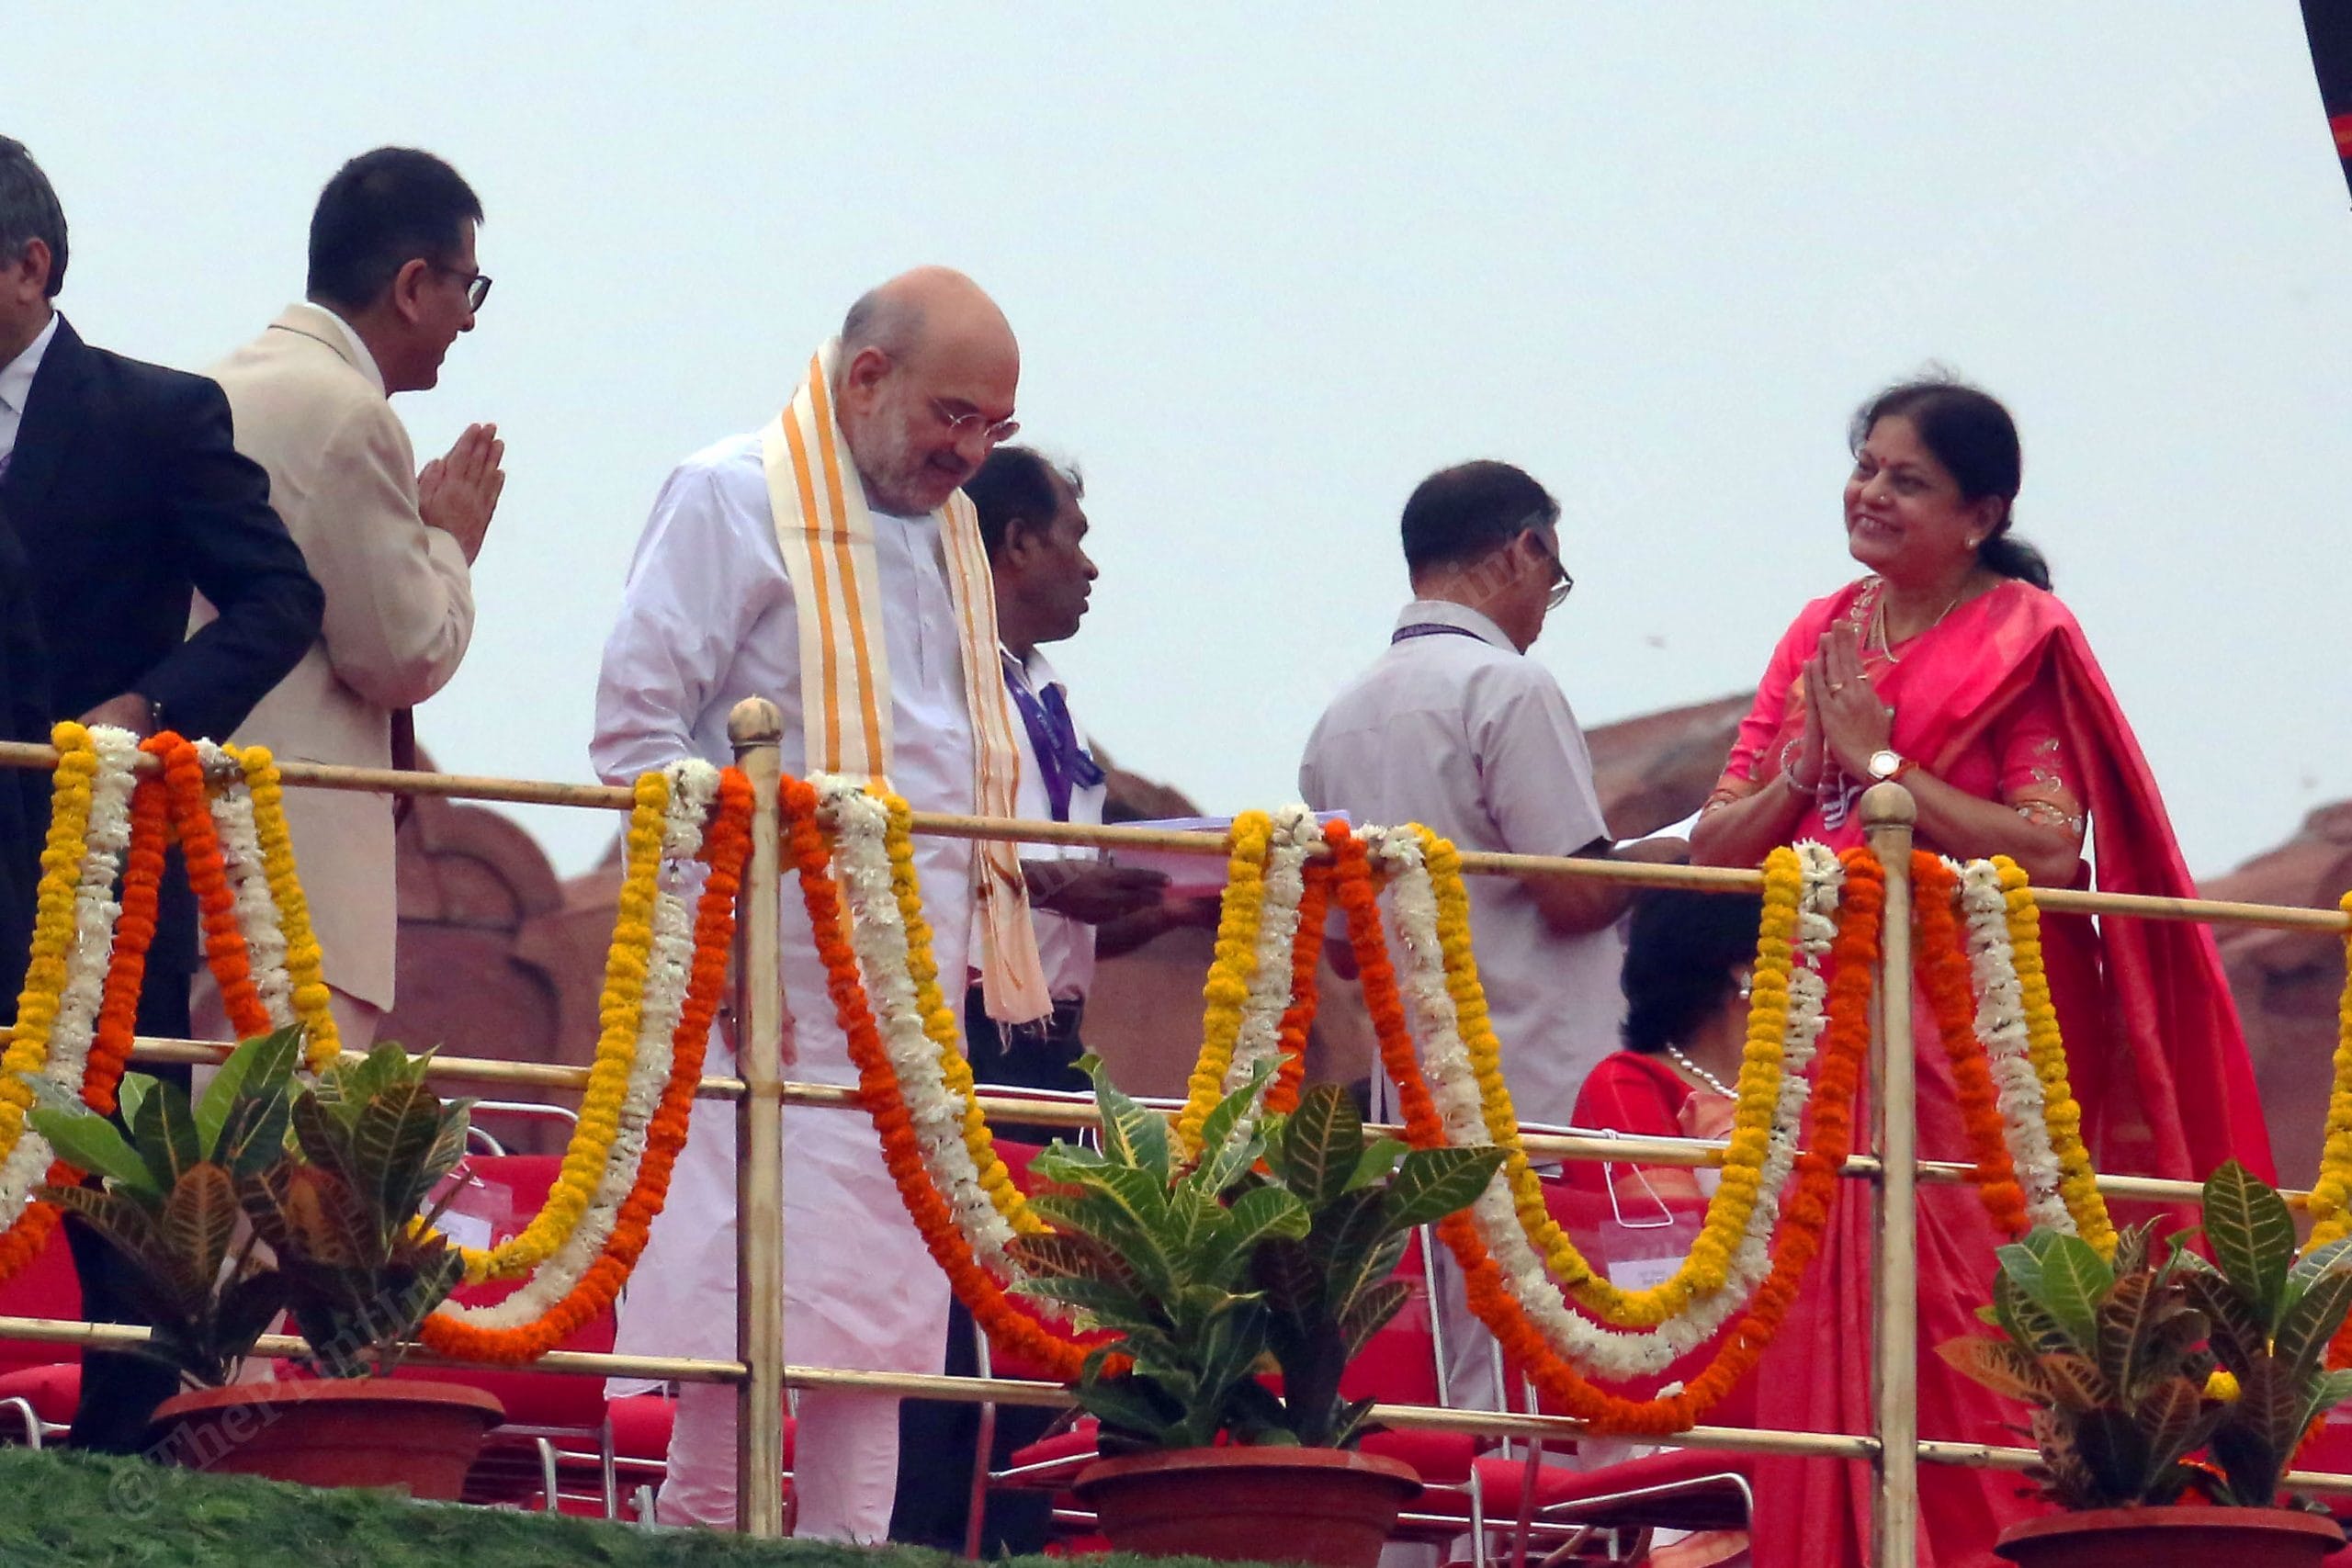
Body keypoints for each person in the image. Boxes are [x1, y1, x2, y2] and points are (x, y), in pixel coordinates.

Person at [1689, 376, 2272, 1568]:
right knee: (1823, 1261)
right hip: (1823, 1008)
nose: (1871, 492)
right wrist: (1808, 768)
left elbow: (2051, 841)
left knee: (1962, 1270)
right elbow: (1716, 843)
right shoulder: (1818, 630)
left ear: (1980, 511)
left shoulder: (2021, 634)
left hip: (1969, 1024)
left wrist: (1883, 760)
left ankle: (1975, 1535)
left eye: (1907, 478)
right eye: (1866, 467)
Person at [591, 267, 1053, 1540]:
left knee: (876, 1357)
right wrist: (726, 952)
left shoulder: (950, 531)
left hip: (904, 1022)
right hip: (757, 1006)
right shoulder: (732, 494)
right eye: (950, 416)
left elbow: (951, 773)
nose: (968, 453)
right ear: (864, 379)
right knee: (730, 1358)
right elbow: (633, 739)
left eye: (991, 431)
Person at [0, 136, 323, 1451]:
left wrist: (146, 706)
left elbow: (279, 596)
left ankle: (137, 1447)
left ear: (30, 265)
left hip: (98, 863)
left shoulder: (153, 412)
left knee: (118, 1186)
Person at [1298, 459, 1686, 1416]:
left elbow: (1348, 951)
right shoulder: (1507, 687)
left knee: (1457, 1366)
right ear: (1526, 549)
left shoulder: (1335, 725)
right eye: (1551, 582)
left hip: (1415, 1108)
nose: (1546, 606)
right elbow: (1572, 895)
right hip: (1542, 1095)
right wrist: (1685, 856)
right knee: (1567, 1360)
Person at [888, 445, 1171, 1554]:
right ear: (1013, 544)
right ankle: (938, 1536)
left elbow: (1074, 887)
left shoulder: (1041, 694)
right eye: (1076, 540)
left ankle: (1015, 1530)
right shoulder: (931, 688)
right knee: (960, 1327)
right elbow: (929, 856)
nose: (1092, 568)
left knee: (1049, 1311)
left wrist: (1171, 895)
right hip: (964, 1041)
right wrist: (1058, 879)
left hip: (1049, 1049)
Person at [200, 146, 501, 1052]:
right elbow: (403, 652)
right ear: (414, 285)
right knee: (279, 1185)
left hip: (194, 859)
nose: (468, 322)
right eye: (469, 288)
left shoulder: (222, 384)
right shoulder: (348, 415)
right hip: (295, 880)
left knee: (183, 1184)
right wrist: (447, 540)